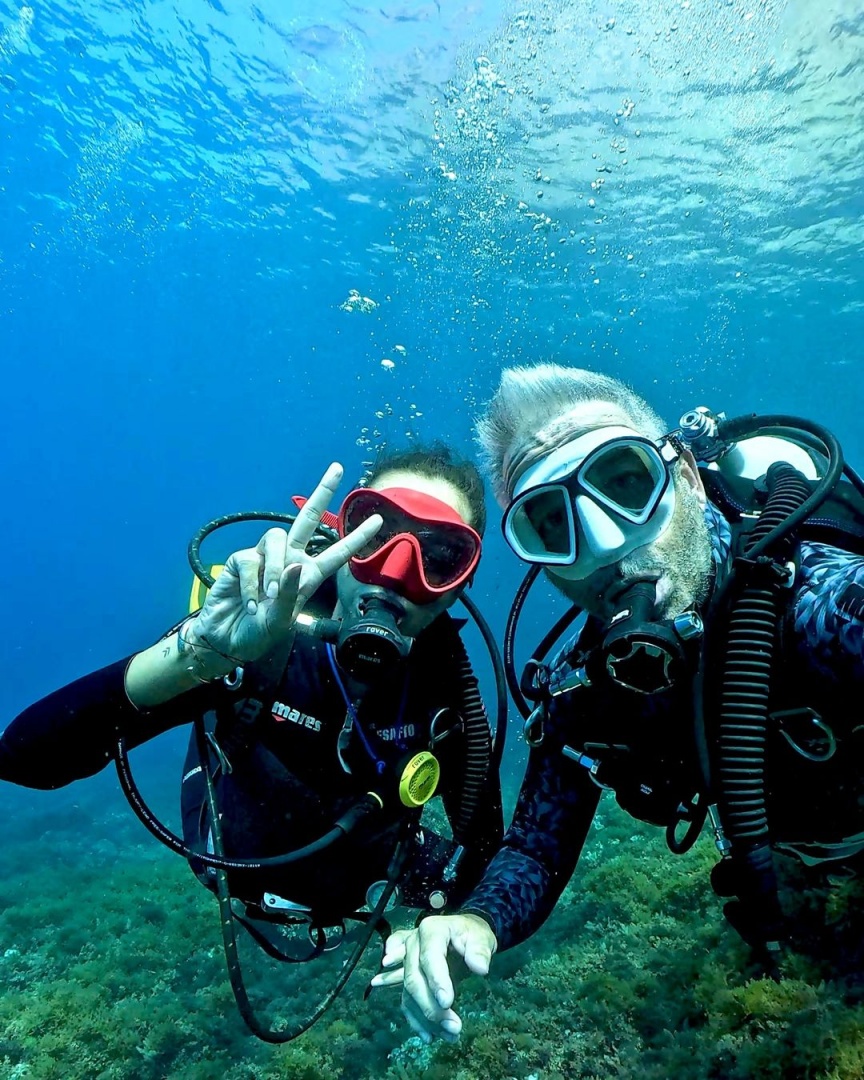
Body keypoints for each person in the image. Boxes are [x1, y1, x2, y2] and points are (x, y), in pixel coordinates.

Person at [372, 363, 864, 1043]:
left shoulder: (814, 603)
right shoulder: (588, 698)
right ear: (541, 562)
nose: (605, 543)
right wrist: (473, 920)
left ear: (687, 478)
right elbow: (537, 852)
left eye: (625, 482)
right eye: (551, 524)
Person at [0, 446, 504, 1042]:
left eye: (439, 557)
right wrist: (197, 657)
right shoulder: (261, 633)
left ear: (457, 587)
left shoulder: (447, 687)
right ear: (337, 534)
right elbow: (25, 758)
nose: (396, 573)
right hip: (239, 861)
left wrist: (443, 923)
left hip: (370, 881)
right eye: (376, 533)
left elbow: (485, 845)